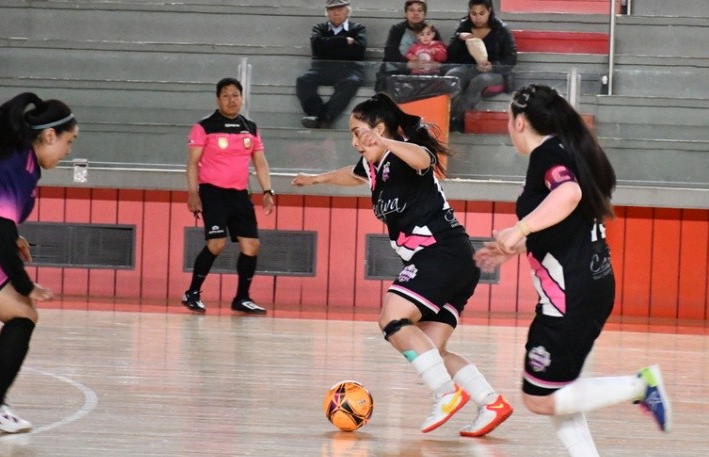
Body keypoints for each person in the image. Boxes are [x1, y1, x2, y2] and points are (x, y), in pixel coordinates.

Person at [291, 92, 513, 437]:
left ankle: (444, 393)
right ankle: (490, 401)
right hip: (454, 261)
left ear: (378, 129)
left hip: (441, 253)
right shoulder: (372, 166)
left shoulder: (404, 153)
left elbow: (424, 157)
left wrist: (385, 141)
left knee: (392, 319)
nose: (354, 141)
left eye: (357, 132)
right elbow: (351, 175)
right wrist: (316, 180)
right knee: (433, 348)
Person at [473, 84, 672, 456]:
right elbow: (567, 223)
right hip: (588, 285)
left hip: (570, 295)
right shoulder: (567, 151)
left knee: (539, 398)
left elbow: (568, 196)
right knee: (559, 391)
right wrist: (513, 247)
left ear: (518, 123)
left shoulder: (547, 155)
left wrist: (519, 229)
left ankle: (639, 386)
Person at [0, 92, 79, 433]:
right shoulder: (19, 166)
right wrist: (27, 284)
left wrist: (13, 236)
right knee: (23, 312)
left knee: (22, 312)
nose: (69, 150)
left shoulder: (23, 160)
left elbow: (0, 221)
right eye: (68, 141)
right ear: (49, 136)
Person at [183, 77, 275, 315]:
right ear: (217, 99)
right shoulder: (204, 126)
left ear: (241, 98)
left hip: (240, 194)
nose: (231, 100)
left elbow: (261, 163)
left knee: (251, 245)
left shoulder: (250, 127)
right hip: (213, 192)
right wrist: (193, 193)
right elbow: (192, 163)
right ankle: (192, 292)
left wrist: (267, 191)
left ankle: (242, 298)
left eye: (235, 95)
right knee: (216, 243)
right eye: (226, 95)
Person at [444, 0, 517, 132]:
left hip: (496, 72)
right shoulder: (463, 26)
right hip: (469, 68)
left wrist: (493, 66)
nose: (477, 18)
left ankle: (455, 118)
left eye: (481, 13)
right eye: (473, 13)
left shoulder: (501, 30)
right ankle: (442, 114)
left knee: (479, 81)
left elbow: (511, 59)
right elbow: (450, 55)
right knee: (452, 75)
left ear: (489, 11)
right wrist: (458, 38)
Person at [296, 0, 367, 129]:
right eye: (331, 9)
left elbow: (358, 51)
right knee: (303, 80)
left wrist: (328, 45)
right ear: (327, 12)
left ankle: (326, 117)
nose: (335, 12)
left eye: (339, 9)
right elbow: (317, 47)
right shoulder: (319, 28)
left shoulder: (358, 28)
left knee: (350, 83)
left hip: (349, 69)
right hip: (323, 67)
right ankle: (315, 113)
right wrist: (345, 41)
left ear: (347, 12)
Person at [374, 0, 443, 91]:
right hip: (396, 71)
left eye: (419, 10)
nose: (416, 13)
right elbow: (390, 52)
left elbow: (442, 51)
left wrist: (436, 64)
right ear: (406, 14)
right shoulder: (397, 29)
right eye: (411, 10)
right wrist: (409, 64)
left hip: (424, 72)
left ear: (425, 14)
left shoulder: (432, 31)